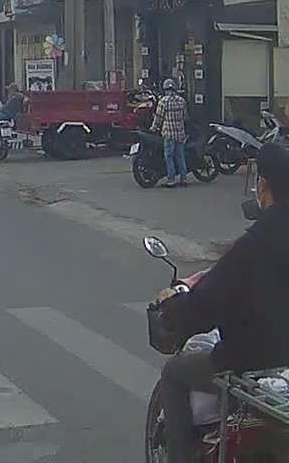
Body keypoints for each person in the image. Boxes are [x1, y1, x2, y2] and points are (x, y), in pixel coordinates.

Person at [153, 141, 289, 463]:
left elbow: (204, 304)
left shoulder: (254, 244)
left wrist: (171, 311)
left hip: (250, 361)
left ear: (263, 185)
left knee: (174, 372)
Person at [152, 79, 190, 187]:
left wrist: (154, 128)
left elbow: (159, 118)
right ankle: (183, 178)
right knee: (180, 156)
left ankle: (171, 179)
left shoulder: (163, 101)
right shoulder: (181, 101)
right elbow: (185, 117)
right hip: (180, 133)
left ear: (165, 89)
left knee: (169, 156)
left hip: (168, 134)